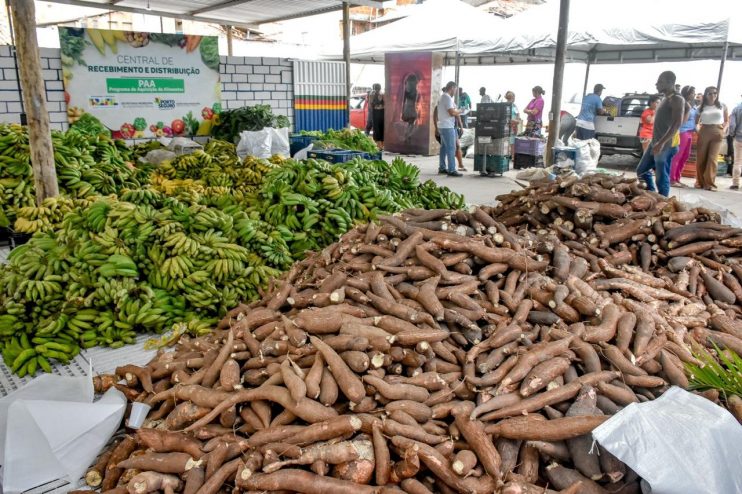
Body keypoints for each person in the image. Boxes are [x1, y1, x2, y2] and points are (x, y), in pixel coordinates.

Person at [635, 71, 685, 197]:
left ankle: (663, 201)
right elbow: (688, 108)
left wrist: (661, 143)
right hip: (655, 142)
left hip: (665, 144)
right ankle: (652, 194)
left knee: (661, 176)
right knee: (641, 170)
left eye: (660, 81)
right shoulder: (665, 98)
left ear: (670, 82)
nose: (656, 84)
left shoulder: (677, 99)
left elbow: (676, 123)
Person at [695, 86, 729, 190]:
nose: (713, 95)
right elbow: (696, 122)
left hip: (718, 130)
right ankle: (700, 182)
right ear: (706, 95)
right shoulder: (701, 107)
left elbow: (727, 120)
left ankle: (709, 184)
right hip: (704, 130)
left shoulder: (722, 105)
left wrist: (723, 130)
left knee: (713, 158)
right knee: (701, 158)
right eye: (710, 93)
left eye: (715, 93)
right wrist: (698, 131)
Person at [670, 86, 697, 187]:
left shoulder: (692, 105)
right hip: (682, 131)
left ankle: (677, 178)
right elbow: (681, 120)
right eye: (693, 93)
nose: (694, 95)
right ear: (687, 93)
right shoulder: (682, 104)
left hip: (690, 132)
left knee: (685, 156)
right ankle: (672, 179)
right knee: (678, 156)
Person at [437, 81, 463, 177]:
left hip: (442, 126)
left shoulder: (442, 97)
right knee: (452, 148)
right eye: (455, 89)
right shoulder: (447, 98)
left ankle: (442, 167)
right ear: (452, 87)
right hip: (447, 126)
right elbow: (452, 112)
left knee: (443, 148)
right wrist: (461, 110)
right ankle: (452, 170)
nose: (455, 91)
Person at [433, 103, 466, 173]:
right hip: (446, 128)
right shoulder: (440, 105)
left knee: (447, 147)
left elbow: (457, 116)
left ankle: (445, 167)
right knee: (451, 148)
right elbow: (435, 117)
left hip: (451, 127)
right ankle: (451, 168)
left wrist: (461, 126)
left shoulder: (451, 104)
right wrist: (436, 128)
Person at [730, 94, 742, 190]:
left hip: (738, 138)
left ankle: (735, 183)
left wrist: (732, 134)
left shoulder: (736, 109)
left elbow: (732, 125)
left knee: (737, 162)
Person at [369, 83, 384, 151]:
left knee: (381, 128)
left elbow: (385, 104)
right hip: (375, 113)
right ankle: (378, 145)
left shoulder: (382, 94)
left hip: (381, 113)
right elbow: (370, 104)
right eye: (375, 88)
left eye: (377, 88)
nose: (376, 90)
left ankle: (381, 145)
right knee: (376, 129)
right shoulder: (372, 95)